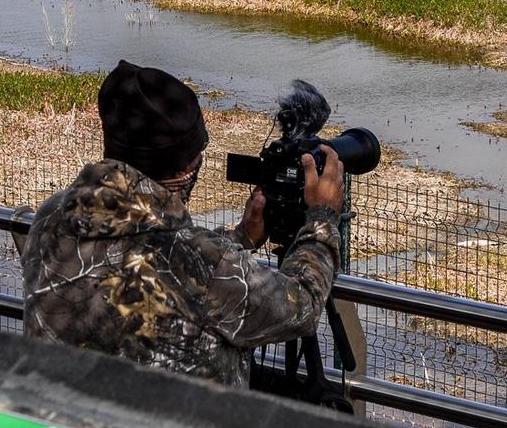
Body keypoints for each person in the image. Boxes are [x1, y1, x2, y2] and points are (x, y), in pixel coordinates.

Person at [20, 59, 343, 388]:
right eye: (197, 151)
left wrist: (241, 236)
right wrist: (322, 216)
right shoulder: (206, 264)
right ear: (181, 170)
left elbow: (154, 256)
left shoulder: (53, 215)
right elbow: (301, 306)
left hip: (62, 414)